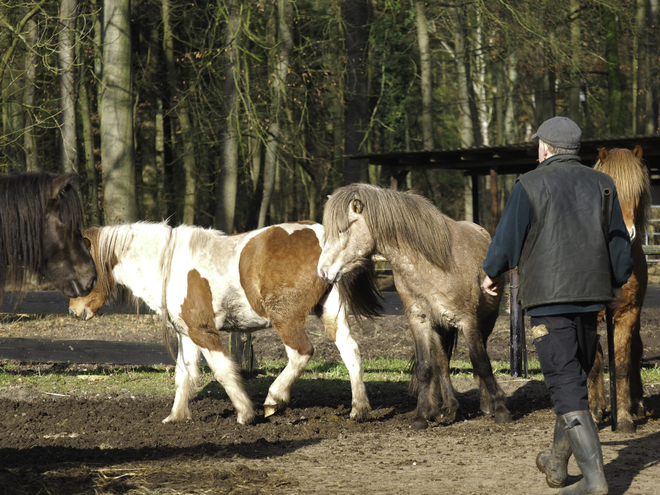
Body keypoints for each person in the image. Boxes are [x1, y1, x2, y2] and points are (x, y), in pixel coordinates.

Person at [482, 116, 633, 495]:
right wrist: (617, 282)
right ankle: (556, 462)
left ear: (544, 148)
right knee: (575, 380)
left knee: (566, 385)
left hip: (548, 300)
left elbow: (507, 238)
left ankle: (595, 482)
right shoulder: (603, 184)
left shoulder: (530, 184)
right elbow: (618, 241)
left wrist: (491, 273)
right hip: (590, 296)